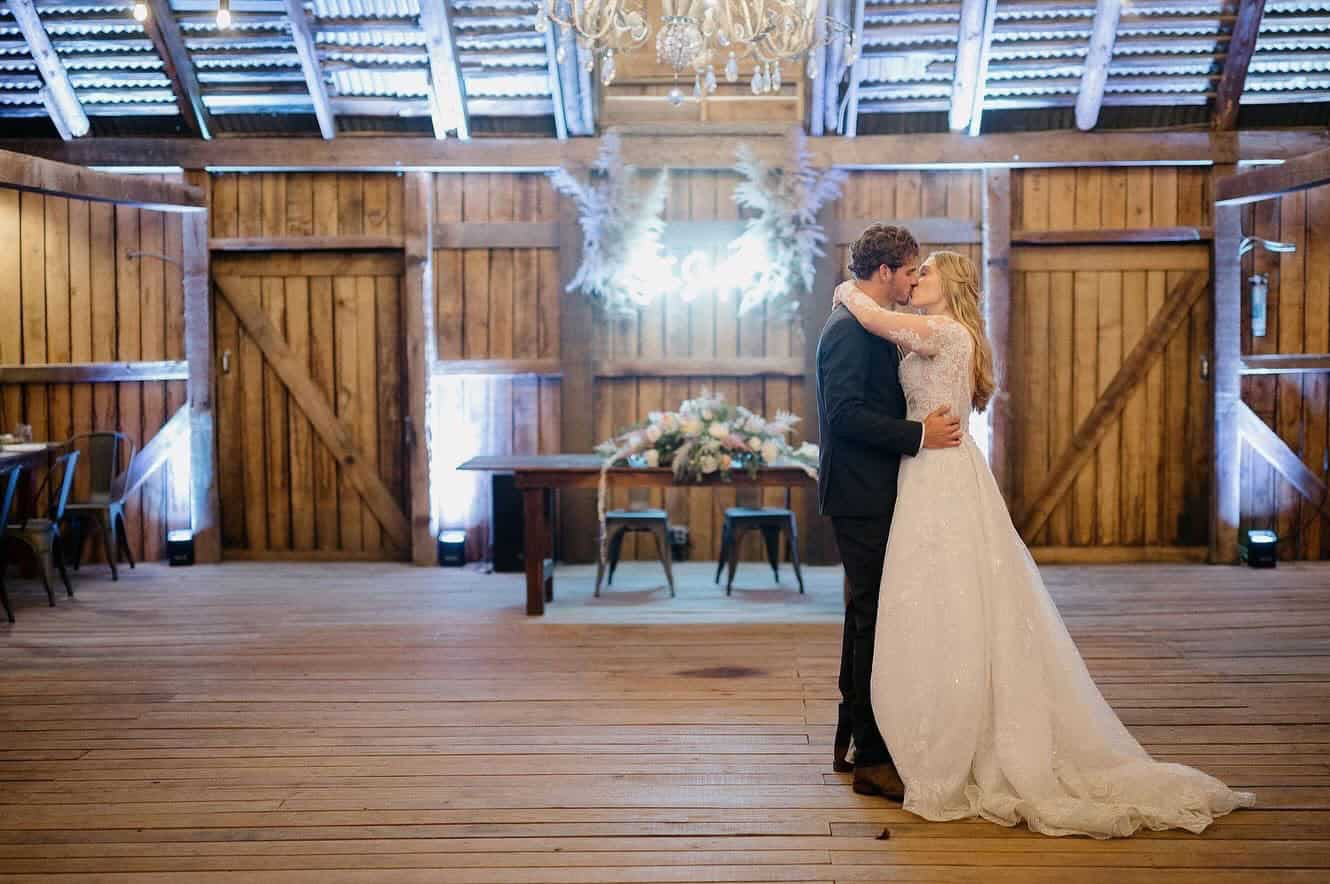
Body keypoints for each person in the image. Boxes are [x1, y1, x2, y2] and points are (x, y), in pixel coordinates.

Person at [829, 248, 1255, 838]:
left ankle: (958, 733)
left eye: (924, 271)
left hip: (940, 472)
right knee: (930, 600)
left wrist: (848, 290)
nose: (915, 279)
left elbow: (876, 319)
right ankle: (915, 723)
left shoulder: (947, 334)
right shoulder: (931, 336)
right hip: (923, 469)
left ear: (948, 283)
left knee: (951, 597)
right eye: (911, 270)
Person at [814, 224, 963, 802]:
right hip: (860, 494)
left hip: (870, 490)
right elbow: (845, 415)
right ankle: (874, 759)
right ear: (884, 273)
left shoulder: (864, 322)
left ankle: (852, 741)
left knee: (864, 617)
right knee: (873, 620)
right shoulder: (850, 331)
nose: (911, 280)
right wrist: (918, 434)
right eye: (908, 271)